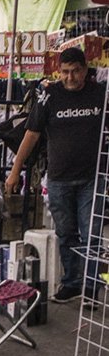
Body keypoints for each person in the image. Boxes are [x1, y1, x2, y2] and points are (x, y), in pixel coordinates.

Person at [7, 47, 106, 305]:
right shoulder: (49, 96)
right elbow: (32, 134)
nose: (70, 77)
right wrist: (14, 171)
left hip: (92, 180)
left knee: (91, 235)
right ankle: (72, 283)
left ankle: (92, 289)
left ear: (85, 70)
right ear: (58, 72)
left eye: (75, 71)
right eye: (65, 72)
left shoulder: (100, 94)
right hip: (59, 179)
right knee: (66, 233)